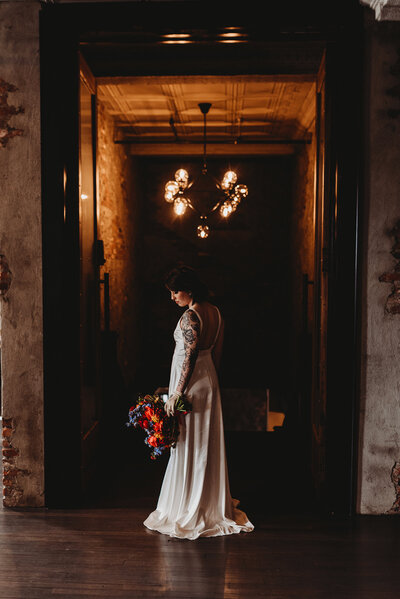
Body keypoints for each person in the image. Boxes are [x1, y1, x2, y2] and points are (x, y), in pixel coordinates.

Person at [143, 265, 254, 540]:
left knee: (188, 441)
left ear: (189, 290)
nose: (172, 298)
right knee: (206, 441)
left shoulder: (191, 316)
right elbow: (217, 352)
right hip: (209, 380)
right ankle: (206, 499)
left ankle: (188, 504)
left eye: (175, 292)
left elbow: (189, 358)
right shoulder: (215, 312)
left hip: (191, 384)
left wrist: (177, 393)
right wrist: (212, 381)